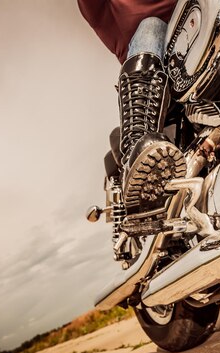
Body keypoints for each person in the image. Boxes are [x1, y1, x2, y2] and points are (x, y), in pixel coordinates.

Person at [78, 0, 186, 214]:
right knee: (152, 26)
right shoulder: (109, 12)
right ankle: (138, 148)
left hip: (204, 63)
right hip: (163, 100)